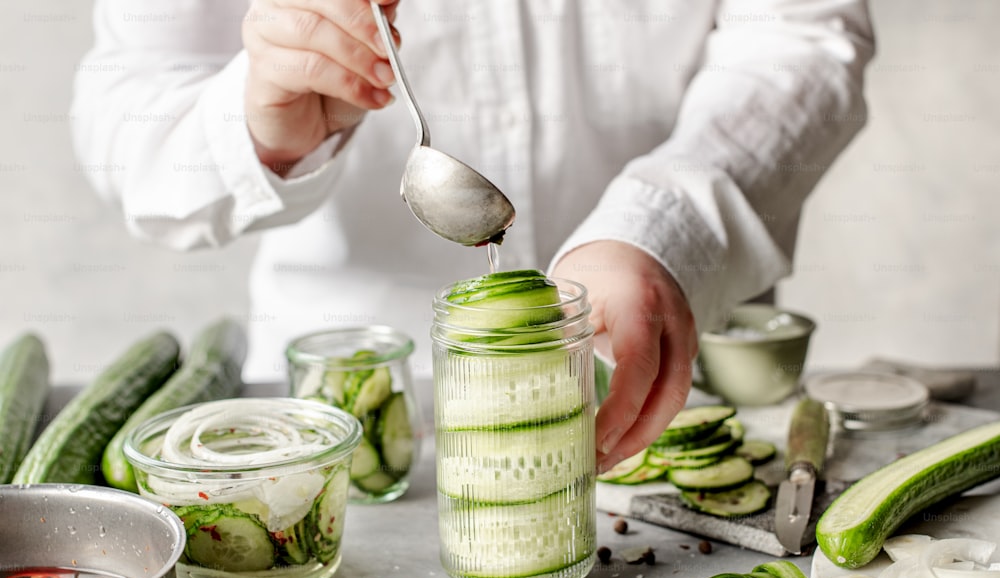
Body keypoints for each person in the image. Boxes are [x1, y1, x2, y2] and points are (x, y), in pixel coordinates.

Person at [70, 0, 875, 472]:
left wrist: (665, 228)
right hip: (363, 430)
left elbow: (802, 34)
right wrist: (262, 116)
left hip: (670, 383)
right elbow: (129, 117)